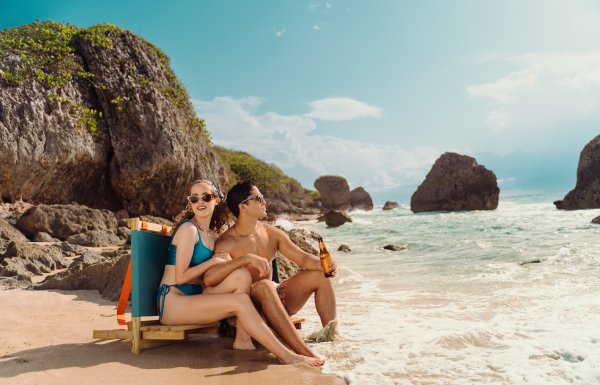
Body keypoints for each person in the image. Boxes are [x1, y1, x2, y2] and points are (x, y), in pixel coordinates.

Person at [156, 179, 323, 366]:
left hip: (195, 298)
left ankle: (243, 340)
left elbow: (217, 273)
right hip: (174, 302)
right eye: (194, 198)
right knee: (241, 300)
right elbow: (181, 277)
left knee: (242, 274)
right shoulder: (189, 230)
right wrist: (215, 261)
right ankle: (286, 355)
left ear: (216, 200)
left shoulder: (213, 234)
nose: (200, 202)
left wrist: (235, 263)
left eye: (206, 197)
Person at [203, 180, 338, 359]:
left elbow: (304, 259)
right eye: (258, 198)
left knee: (322, 276)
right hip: (249, 312)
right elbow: (210, 278)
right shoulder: (228, 242)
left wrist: (325, 265)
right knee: (264, 286)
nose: (264, 201)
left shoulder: (271, 233)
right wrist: (243, 260)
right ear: (243, 207)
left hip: (276, 300)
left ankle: (332, 339)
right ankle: (303, 352)